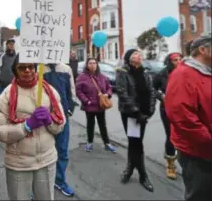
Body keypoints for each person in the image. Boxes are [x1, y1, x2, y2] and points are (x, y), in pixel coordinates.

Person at [0, 54, 65, 200]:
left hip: (46, 160)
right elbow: (0, 132)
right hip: (19, 164)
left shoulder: (49, 91)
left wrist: (49, 121)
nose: (27, 70)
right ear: (15, 70)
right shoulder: (6, 96)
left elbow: (60, 125)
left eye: (30, 66)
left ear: (36, 68)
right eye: (22, 67)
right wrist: (26, 126)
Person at [165, 36, 212, 201]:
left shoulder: (207, 72)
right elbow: (182, 116)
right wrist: (208, 140)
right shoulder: (183, 74)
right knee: (201, 194)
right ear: (203, 50)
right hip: (198, 152)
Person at [116, 49, 156, 192]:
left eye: (140, 53)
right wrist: (136, 112)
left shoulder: (145, 73)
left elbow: (152, 91)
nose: (139, 55)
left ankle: (129, 168)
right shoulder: (122, 72)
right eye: (135, 54)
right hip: (131, 114)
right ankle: (143, 176)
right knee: (136, 143)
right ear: (129, 58)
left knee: (135, 143)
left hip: (144, 114)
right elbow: (122, 93)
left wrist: (151, 109)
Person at [43, 62, 76, 197]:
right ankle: (37, 185)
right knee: (41, 151)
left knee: (62, 150)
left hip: (62, 117)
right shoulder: (38, 68)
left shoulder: (66, 69)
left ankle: (59, 180)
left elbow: (71, 91)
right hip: (43, 117)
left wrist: (69, 109)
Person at [152, 52, 182, 180]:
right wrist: (161, 96)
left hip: (184, 108)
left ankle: (187, 164)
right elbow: (152, 89)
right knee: (171, 135)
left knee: (184, 136)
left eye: (180, 59)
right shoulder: (162, 74)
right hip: (167, 108)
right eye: (175, 60)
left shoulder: (186, 72)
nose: (179, 62)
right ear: (170, 62)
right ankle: (170, 165)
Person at [76, 58, 116, 153]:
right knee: (90, 125)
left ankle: (107, 143)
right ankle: (89, 142)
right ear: (87, 65)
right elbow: (78, 91)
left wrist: (107, 94)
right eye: (90, 63)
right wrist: (86, 101)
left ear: (97, 65)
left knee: (102, 125)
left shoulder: (102, 76)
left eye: (94, 63)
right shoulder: (82, 77)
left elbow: (109, 88)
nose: (92, 65)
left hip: (100, 105)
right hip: (89, 106)